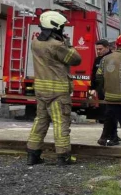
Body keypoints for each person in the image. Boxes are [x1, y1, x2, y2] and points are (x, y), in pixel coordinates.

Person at [26, 11, 82, 166]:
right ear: (55, 28)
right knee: (60, 122)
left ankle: (32, 155)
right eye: (61, 27)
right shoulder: (57, 45)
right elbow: (76, 59)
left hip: (41, 90)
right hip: (57, 92)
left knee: (40, 121)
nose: (62, 30)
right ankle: (63, 157)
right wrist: (67, 43)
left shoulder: (35, 42)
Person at [90, 39, 121, 146]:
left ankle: (111, 136)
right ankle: (113, 135)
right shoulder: (97, 59)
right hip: (101, 90)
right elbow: (93, 74)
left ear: (107, 48)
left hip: (111, 89)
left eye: (100, 49)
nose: (98, 51)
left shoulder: (112, 58)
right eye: (97, 49)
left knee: (111, 113)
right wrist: (93, 88)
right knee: (106, 113)